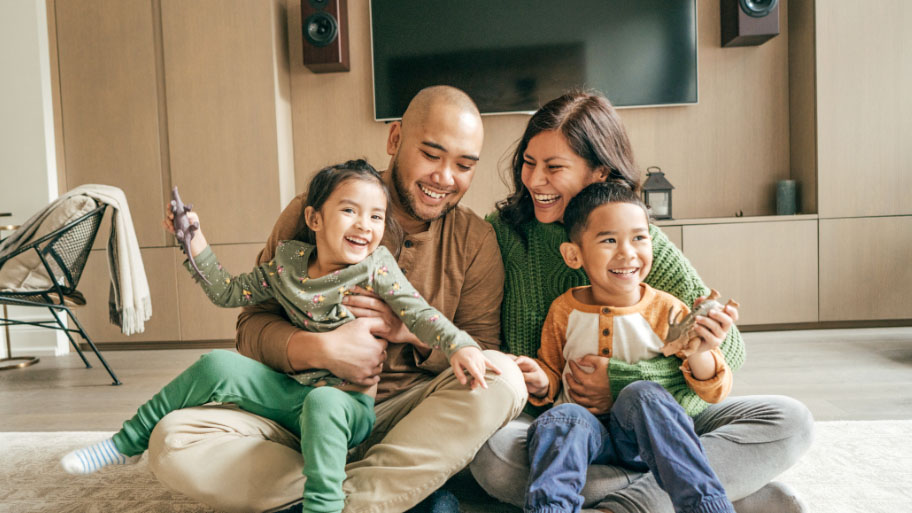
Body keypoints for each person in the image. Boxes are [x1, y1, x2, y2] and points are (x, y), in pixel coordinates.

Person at [144, 86, 527, 513]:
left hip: (406, 421)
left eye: (463, 165)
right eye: (432, 155)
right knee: (171, 441)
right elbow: (250, 326)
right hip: (300, 410)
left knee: (504, 379)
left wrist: (409, 332)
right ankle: (384, 492)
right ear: (395, 139)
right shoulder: (316, 209)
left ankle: (325, 497)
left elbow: (479, 350)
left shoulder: (475, 241)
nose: (445, 177)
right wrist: (320, 348)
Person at [60, 160, 502, 513]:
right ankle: (125, 443)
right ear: (314, 217)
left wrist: (457, 344)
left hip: (347, 406)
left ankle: (323, 504)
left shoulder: (376, 267)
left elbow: (419, 313)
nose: (364, 225)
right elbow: (229, 291)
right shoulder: (287, 265)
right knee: (215, 364)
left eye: (376, 216)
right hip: (291, 395)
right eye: (349, 210)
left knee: (325, 402)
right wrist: (195, 245)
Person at [472, 90, 814, 513]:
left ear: (599, 173)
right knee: (494, 459)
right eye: (528, 162)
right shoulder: (505, 233)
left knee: (790, 421)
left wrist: (619, 382)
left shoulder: (641, 245)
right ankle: (717, 490)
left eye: (554, 167)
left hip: (654, 420)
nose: (534, 179)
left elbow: (729, 352)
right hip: (563, 423)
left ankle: (625, 505)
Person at [516, 181, 735, 513]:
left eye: (639, 238)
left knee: (643, 394)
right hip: (584, 438)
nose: (627, 253)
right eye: (608, 240)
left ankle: (706, 506)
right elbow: (552, 371)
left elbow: (714, 391)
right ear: (574, 255)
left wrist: (702, 350)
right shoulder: (564, 309)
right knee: (562, 418)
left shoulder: (669, 310)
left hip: (643, 439)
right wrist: (540, 380)